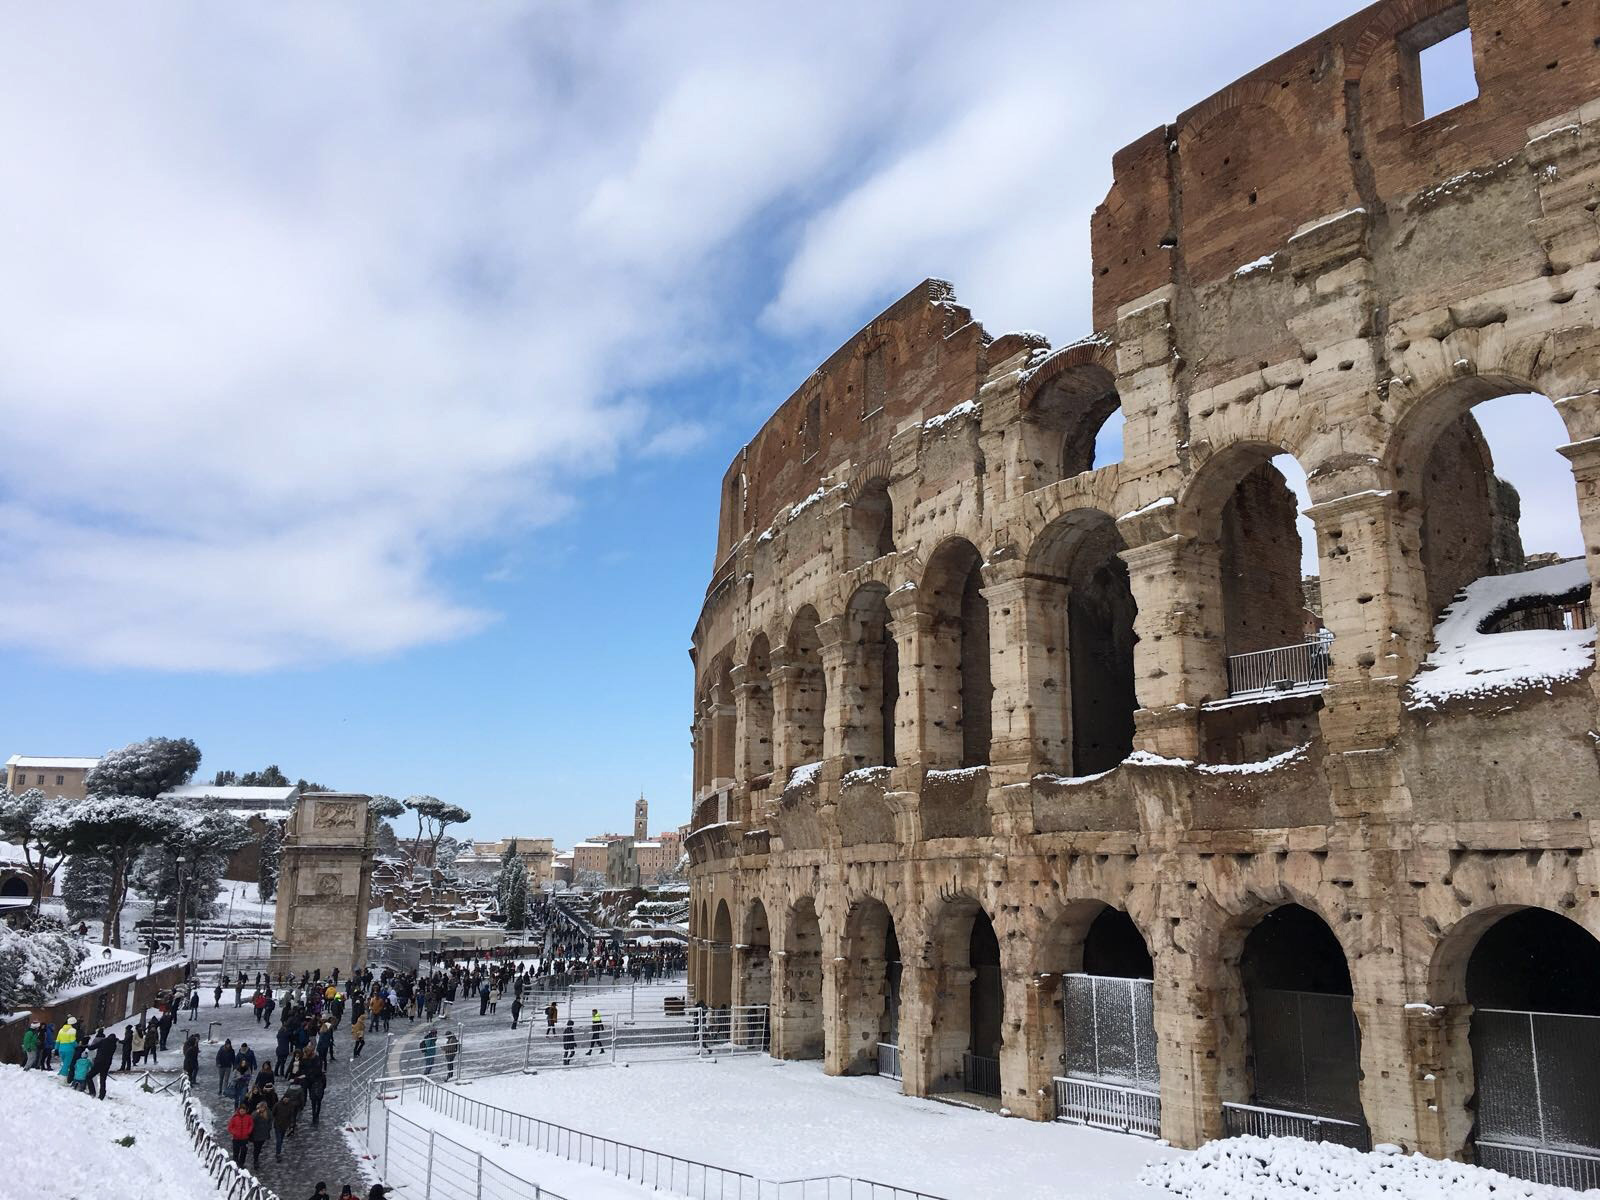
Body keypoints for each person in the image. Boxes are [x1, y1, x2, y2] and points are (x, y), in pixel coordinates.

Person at [90, 1027, 118, 1099]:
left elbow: (92, 1047)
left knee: (89, 1076)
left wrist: (86, 1046)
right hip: (107, 1063)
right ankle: (102, 1094)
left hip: (99, 1062)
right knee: (103, 1079)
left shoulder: (103, 1041)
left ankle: (92, 1091)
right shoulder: (114, 1045)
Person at [272, 1090, 297, 1160]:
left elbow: (292, 1116)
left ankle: (278, 1150)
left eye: (287, 1099)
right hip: (277, 1125)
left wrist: (291, 1125)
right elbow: (273, 1113)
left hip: (285, 1125)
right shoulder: (277, 1105)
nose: (286, 1100)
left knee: (281, 1139)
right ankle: (278, 1153)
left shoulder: (290, 1106)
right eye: (285, 1098)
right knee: (279, 1140)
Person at [250, 1100, 272, 1168]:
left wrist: (268, 1128)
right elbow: (252, 1119)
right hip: (256, 1134)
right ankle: (255, 1160)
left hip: (263, 1134)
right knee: (256, 1148)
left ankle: (256, 1158)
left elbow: (270, 1121)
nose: (262, 1109)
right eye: (260, 1107)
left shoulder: (268, 1113)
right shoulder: (255, 1113)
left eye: (263, 1107)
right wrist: (257, 1113)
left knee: (259, 1147)